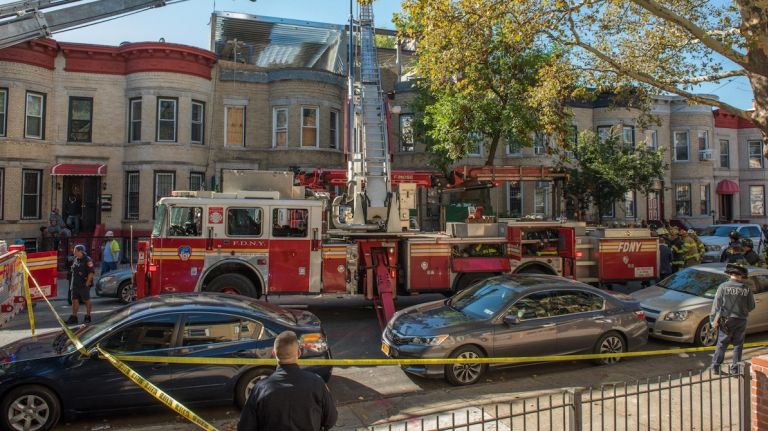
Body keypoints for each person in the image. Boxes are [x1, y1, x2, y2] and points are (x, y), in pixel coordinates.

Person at [238, 330, 337, 431]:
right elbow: (330, 420)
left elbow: (245, 427)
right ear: (298, 353)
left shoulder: (260, 388)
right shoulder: (317, 383)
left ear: (273, 353)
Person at [710, 263, 755, 375]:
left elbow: (716, 305)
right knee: (738, 345)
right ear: (741, 275)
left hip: (726, 320)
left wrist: (712, 321)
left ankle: (715, 367)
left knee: (721, 344)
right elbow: (752, 306)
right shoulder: (746, 289)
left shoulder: (723, 287)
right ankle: (735, 370)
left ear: (730, 274)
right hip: (741, 320)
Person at [67, 244, 94, 325]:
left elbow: (91, 273)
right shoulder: (76, 259)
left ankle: (88, 316)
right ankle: (74, 317)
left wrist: (87, 283)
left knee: (86, 300)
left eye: (75, 251)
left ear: (80, 251)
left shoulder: (88, 260)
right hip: (75, 284)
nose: (73, 252)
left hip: (83, 284)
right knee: (74, 300)